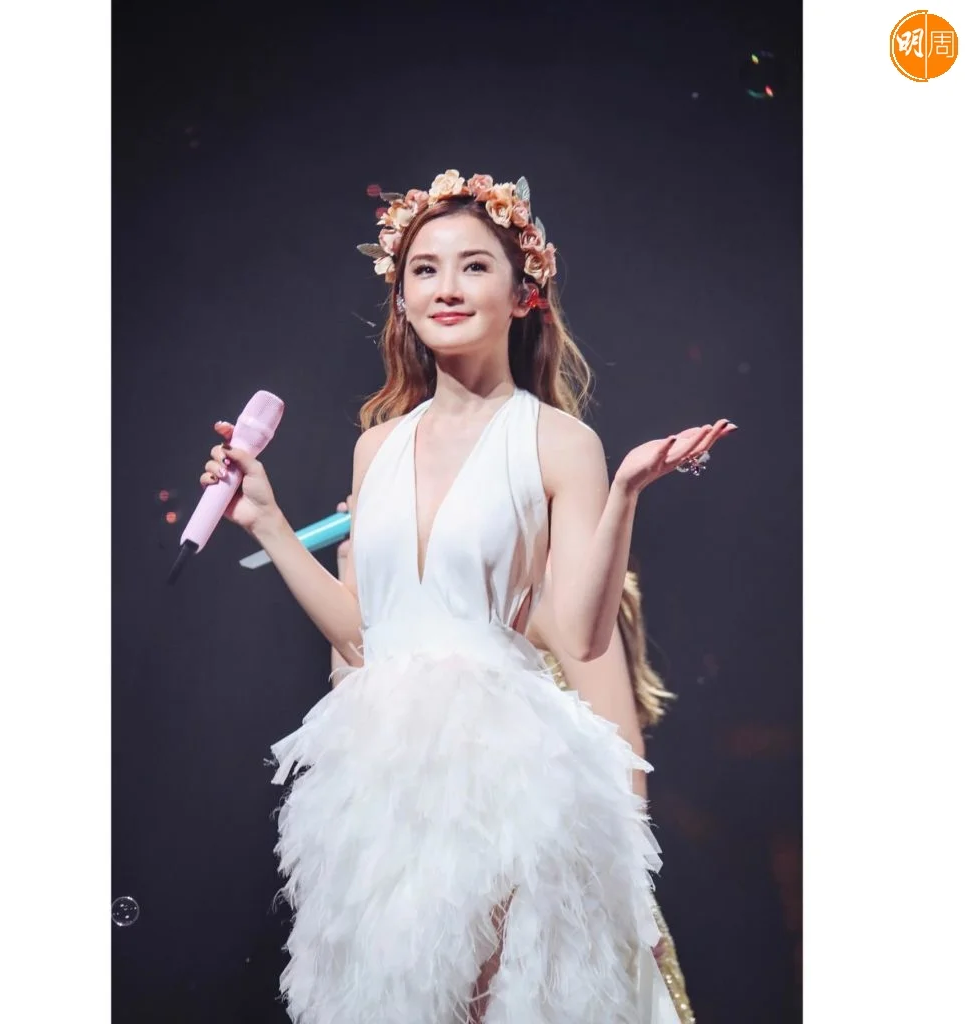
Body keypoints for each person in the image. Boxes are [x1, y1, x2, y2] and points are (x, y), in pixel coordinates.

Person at [198, 169, 734, 1023]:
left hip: (502, 765)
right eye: (425, 269)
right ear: (402, 298)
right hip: (379, 772)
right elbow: (364, 637)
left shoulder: (560, 441)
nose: (446, 287)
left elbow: (584, 638)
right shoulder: (377, 448)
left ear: (523, 294)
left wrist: (626, 494)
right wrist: (267, 522)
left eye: (474, 266)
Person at [331, 512, 696, 1023]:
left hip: (550, 892)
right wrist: (357, 577)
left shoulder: (539, 575)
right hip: (440, 885)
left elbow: (622, 750)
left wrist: (628, 897)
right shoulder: (423, 589)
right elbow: (357, 717)